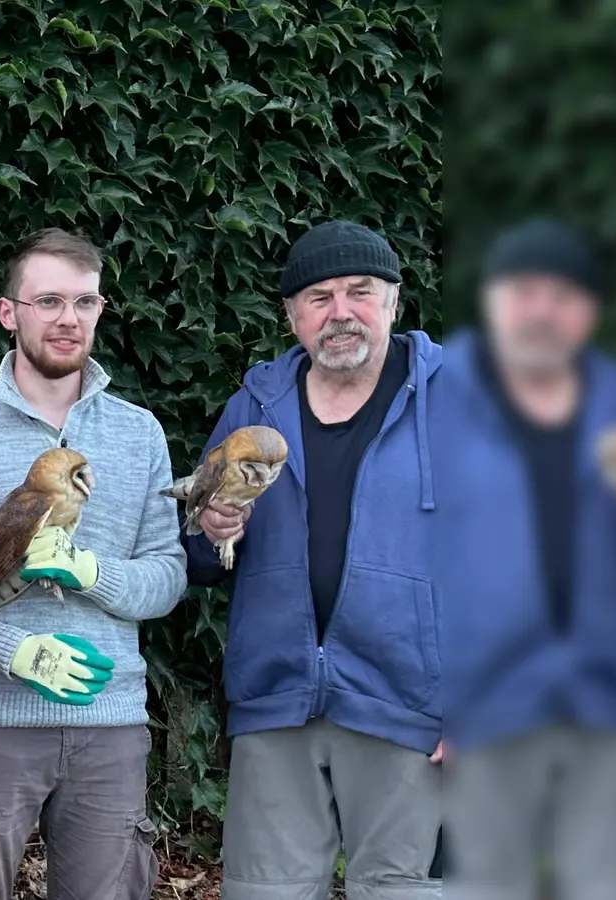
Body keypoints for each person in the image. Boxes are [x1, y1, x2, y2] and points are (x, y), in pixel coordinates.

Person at [184, 221, 442, 900]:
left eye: (361, 292)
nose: (341, 312)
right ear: (293, 315)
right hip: (277, 705)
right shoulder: (254, 408)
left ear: (392, 301)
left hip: (411, 707)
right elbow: (198, 558)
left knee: (402, 891)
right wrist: (212, 529)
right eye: (319, 297)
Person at [0, 227, 186, 900]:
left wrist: (93, 571)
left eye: (85, 302)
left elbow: (168, 575)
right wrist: (15, 651)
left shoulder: (138, 432)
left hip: (110, 724)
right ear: (9, 313)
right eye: (48, 301)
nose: (68, 319)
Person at [437, 219, 616, 900]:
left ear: (588, 313)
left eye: (564, 295)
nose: (543, 311)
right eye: (524, 291)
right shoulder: (442, 406)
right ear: (493, 303)